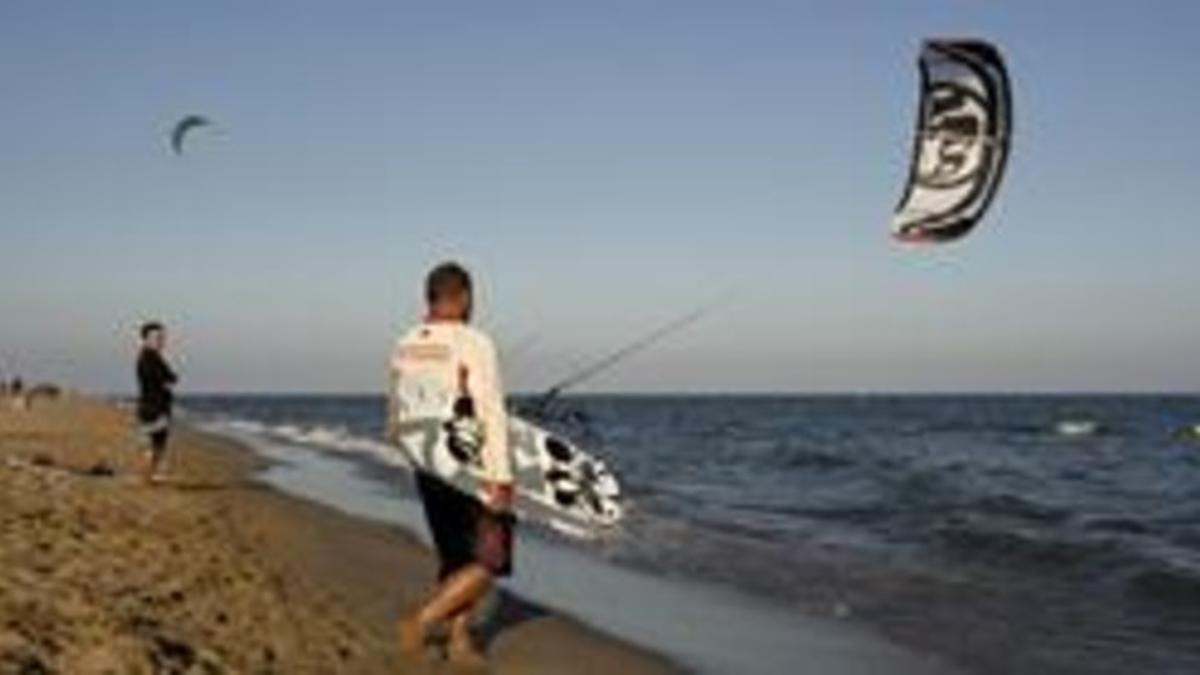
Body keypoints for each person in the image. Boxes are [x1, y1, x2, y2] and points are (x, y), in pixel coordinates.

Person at [387, 262, 514, 668]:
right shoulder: (475, 342)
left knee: (454, 556)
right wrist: (502, 478)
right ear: (464, 297)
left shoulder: (405, 342)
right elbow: (491, 411)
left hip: (426, 463)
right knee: (492, 559)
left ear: (430, 297)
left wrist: (408, 449)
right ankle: (423, 620)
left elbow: (397, 406)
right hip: (470, 468)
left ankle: (460, 642)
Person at [135, 322, 178, 483]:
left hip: (154, 405)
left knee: (155, 444)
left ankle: (150, 476)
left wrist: (168, 380)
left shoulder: (154, 357)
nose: (161, 340)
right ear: (146, 338)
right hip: (153, 406)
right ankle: (148, 477)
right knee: (154, 444)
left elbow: (172, 378)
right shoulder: (148, 358)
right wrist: (167, 381)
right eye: (156, 337)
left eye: (162, 337)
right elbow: (168, 379)